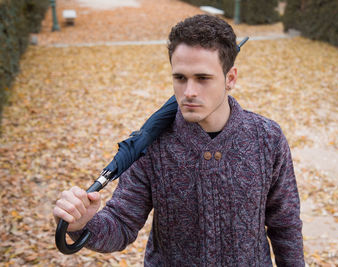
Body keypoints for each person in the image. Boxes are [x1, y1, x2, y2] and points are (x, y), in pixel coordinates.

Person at [53, 14, 304, 266]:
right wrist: (82, 223)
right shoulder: (151, 145)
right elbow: (121, 223)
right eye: (180, 78)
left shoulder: (267, 139)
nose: (189, 92)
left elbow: (286, 226)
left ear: (230, 78)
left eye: (203, 78)